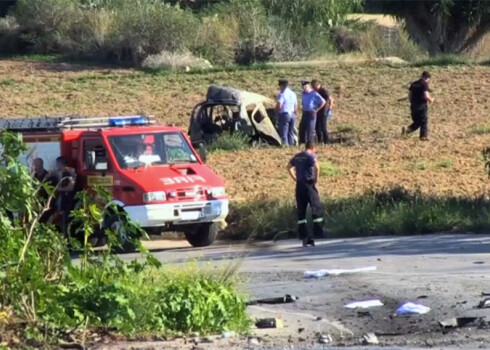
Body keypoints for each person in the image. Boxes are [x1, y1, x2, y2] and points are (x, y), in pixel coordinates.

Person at [287, 141, 325, 247]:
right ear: (313, 148)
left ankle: (303, 235)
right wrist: (316, 181)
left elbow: (288, 167)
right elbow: (317, 167)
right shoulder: (310, 155)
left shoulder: (297, 156)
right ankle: (318, 233)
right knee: (316, 207)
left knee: (301, 211)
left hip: (299, 186)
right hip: (309, 184)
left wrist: (295, 178)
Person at [403, 71, 434, 141]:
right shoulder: (424, 84)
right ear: (427, 78)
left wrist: (411, 102)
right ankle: (423, 136)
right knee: (424, 121)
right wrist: (431, 100)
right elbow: (426, 95)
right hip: (421, 105)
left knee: (417, 122)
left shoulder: (414, 84)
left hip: (413, 105)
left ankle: (407, 130)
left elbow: (410, 95)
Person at [298, 80, 326, 145]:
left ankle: (310, 143)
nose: (304, 89)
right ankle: (302, 142)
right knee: (302, 127)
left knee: (310, 129)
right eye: (302, 87)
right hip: (305, 112)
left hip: (311, 113)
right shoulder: (303, 93)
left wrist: (316, 110)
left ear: (309, 86)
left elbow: (323, 102)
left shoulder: (314, 93)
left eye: (305, 87)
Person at [55, 156, 76, 238]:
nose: (56, 166)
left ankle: (68, 241)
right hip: (65, 202)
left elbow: (71, 187)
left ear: (61, 164)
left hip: (69, 203)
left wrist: (59, 188)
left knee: (67, 222)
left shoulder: (70, 173)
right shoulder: (63, 173)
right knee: (63, 222)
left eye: (57, 164)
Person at [32, 158, 56, 223]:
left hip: (46, 204)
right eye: (34, 165)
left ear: (41, 165)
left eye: (36, 165)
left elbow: (52, 191)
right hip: (37, 204)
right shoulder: (34, 176)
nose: (34, 167)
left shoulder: (48, 176)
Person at [275, 79, 298, 146]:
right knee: (290, 132)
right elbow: (295, 105)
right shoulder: (293, 94)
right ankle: (291, 144)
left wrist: (276, 111)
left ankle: (285, 145)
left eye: (280, 86)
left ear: (282, 86)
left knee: (284, 131)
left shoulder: (282, 94)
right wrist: (295, 114)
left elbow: (279, 104)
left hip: (285, 114)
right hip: (292, 114)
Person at [311, 79, 334, 144]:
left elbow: (330, 98)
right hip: (318, 110)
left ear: (317, 85)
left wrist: (330, 106)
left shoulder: (323, 90)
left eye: (314, 87)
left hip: (324, 110)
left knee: (323, 127)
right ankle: (320, 140)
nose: (314, 88)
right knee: (317, 126)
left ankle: (327, 141)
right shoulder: (316, 91)